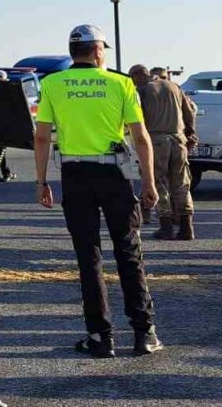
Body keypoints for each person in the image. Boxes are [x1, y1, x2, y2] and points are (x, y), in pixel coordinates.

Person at [33, 25, 162, 358]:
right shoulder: (121, 83)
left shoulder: (51, 84)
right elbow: (141, 137)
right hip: (115, 174)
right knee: (128, 251)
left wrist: (41, 180)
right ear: (99, 51)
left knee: (88, 257)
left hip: (75, 175)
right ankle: (144, 333)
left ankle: (100, 336)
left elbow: (42, 136)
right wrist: (148, 182)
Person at [129, 64, 197, 240]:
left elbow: (137, 119)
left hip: (156, 141)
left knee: (159, 182)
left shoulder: (142, 91)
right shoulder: (174, 87)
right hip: (178, 140)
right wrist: (189, 134)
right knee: (181, 184)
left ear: (137, 76)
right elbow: (189, 112)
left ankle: (165, 226)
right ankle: (186, 227)